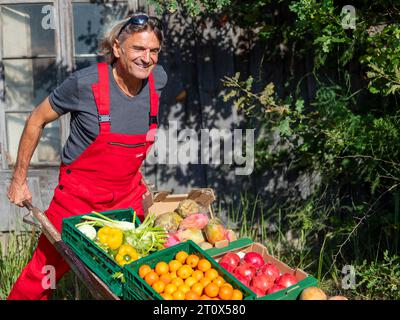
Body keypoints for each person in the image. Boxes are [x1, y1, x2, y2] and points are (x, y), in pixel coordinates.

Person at [6, 12, 168, 300]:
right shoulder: (85, 84)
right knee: (43, 273)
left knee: (144, 271)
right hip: (77, 199)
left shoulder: (158, 81)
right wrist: (19, 180)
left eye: (153, 50)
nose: (147, 58)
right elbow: (35, 120)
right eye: (138, 49)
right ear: (118, 49)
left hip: (127, 196)